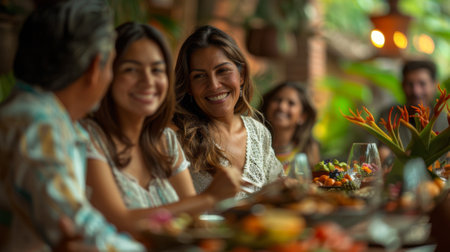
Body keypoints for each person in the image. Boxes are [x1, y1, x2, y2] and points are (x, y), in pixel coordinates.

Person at [0, 1, 144, 251]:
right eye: (113, 64)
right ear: (94, 67)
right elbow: (77, 226)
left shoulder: (36, 113)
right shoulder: (38, 123)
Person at [82, 22, 241, 237]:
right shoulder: (89, 138)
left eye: (157, 69)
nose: (148, 81)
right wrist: (209, 198)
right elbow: (120, 221)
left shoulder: (165, 140)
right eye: (131, 69)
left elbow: (191, 220)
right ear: (108, 74)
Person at [172, 25, 284, 200]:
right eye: (200, 76)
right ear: (188, 87)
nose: (214, 85)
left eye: (222, 71)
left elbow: (280, 194)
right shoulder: (178, 139)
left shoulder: (258, 133)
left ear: (241, 75)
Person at [378, 59, 447, 163]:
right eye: (410, 84)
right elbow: (380, 152)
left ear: (435, 85)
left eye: (422, 84)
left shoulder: (446, 121)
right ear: (402, 85)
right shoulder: (389, 115)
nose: (416, 91)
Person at [260, 81, 320, 173]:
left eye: (291, 103)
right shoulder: (252, 144)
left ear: (302, 116)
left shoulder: (309, 150)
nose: (282, 106)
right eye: (277, 100)